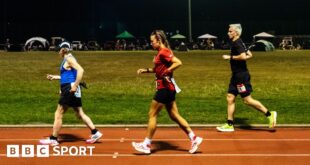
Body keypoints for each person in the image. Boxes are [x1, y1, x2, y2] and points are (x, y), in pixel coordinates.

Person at [132, 30, 203, 154]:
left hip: (164, 88)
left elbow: (178, 62)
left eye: (152, 41)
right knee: (174, 115)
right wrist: (146, 70)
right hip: (169, 88)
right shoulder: (161, 52)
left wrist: (167, 71)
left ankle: (146, 144)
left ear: (159, 41)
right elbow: (159, 68)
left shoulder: (164, 51)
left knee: (152, 114)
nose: (151, 44)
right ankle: (194, 138)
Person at [39, 41, 102, 146]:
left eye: (59, 50)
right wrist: (55, 77)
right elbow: (70, 75)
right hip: (71, 87)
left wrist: (75, 85)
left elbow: (81, 70)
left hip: (70, 88)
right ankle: (95, 132)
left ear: (63, 50)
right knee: (79, 113)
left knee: (58, 113)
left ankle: (53, 139)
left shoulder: (69, 58)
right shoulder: (69, 58)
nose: (58, 52)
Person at [217, 24, 277, 132]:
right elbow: (250, 54)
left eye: (230, 31)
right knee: (230, 97)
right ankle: (229, 124)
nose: (228, 33)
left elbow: (244, 56)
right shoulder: (239, 42)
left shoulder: (237, 43)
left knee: (247, 100)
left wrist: (229, 57)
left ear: (236, 32)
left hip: (241, 77)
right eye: (229, 31)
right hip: (236, 76)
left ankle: (269, 114)